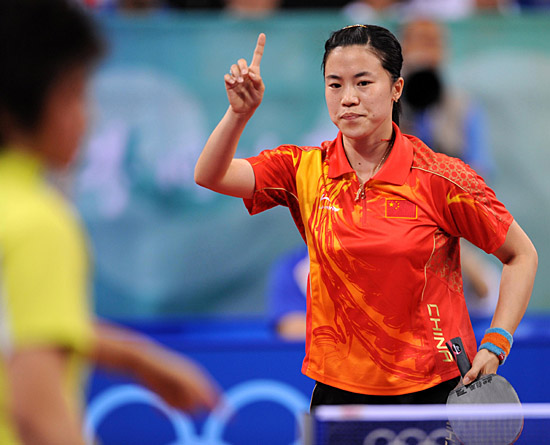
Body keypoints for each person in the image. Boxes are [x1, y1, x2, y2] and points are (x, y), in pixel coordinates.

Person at [194, 25, 537, 408]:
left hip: (433, 388)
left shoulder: (442, 177)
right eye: (335, 84)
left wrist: (497, 342)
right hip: (340, 394)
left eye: (363, 82)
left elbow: (521, 255)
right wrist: (238, 114)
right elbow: (210, 175)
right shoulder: (303, 169)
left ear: (396, 88)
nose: (348, 98)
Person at [0, 1, 218, 444]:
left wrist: (134, 357)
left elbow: (18, 325)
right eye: (75, 94)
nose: (90, 116)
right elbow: (37, 413)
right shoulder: (40, 226)